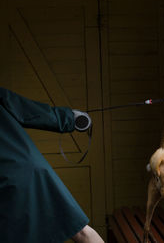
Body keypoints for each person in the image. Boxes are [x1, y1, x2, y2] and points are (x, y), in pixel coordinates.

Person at [0, 87, 103, 243]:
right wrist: (70, 118)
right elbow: (25, 109)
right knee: (82, 232)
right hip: (29, 169)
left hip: (20, 175)